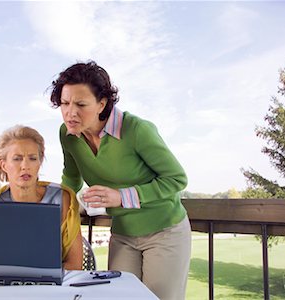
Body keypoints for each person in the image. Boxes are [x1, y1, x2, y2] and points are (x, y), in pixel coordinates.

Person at [49, 61, 191, 299]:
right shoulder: (68, 135)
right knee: (119, 296)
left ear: (102, 103)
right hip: (123, 233)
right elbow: (71, 178)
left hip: (164, 230)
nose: (70, 112)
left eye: (80, 104)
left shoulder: (137, 130)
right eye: (64, 103)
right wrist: (56, 208)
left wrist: (121, 196)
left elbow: (176, 179)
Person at [0, 125, 83, 270]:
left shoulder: (62, 199)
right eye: (17, 159)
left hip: (52, 287)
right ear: (3, 165)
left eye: (32, 158)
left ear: (40, 162)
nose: (25, 166)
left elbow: (75, 264)